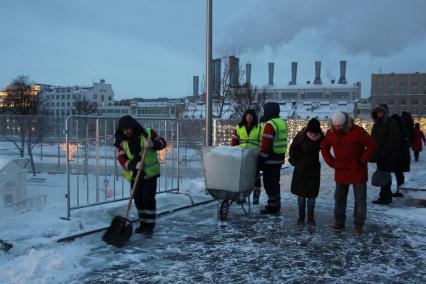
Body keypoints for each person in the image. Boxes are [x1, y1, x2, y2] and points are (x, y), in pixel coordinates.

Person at [321, 111, 376, 236]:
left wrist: (362, 161)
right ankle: (339, 221)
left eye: (340, 126)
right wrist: (331, 162)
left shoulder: (357, 131)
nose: (337, 128)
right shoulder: (331, 133)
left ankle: (359, 224)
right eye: (335, 126)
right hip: (341, 169)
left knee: (360, 199)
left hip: (357, 169)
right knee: (339, 198)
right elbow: (323, 147)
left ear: (345, 123)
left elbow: (372, 145)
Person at [114, 115, 166, 235]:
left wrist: (153, 144)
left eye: (129, 129)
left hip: (150, 174)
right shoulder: (121, 142)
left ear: (134, 127)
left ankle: (150, 226)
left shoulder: (147, 133)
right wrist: (133, 165)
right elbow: (122, 159)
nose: (127, 131)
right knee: (138, 199)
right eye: (124, 130)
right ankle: (143, 224)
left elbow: (162, 142)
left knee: (147, 199)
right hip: (135, 175)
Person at [288, 118, 323, 228]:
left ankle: (311, 218)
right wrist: (295, 162)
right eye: (311, 131)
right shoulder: (301, 136)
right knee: (301, 196)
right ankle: (301, 217)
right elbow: (292, 149)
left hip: (314, 171)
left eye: (315, 132)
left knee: (312, 196)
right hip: (301, 170)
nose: (313, 134)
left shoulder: (321, 138)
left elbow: (327, 148)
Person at [258, 102, 287, 214]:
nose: (263, 113)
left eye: (265, 111)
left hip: (270, 159)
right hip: (279, 158)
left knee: (269, 183)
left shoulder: (270, 124)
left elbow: (265, 145)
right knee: (276, 182)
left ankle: (272, 206)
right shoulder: (281, 123)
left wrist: (261, 161)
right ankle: (276, 204)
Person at [370, 105, 401, 205]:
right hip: (379, 155)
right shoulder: (377, 124)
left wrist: (385, 152)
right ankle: (385, 196)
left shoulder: (391, 123)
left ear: (385, 113)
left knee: (385, 176)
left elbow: (393, 139)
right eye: (378, 112)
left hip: (387, 155)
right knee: (382, 175)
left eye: (381, 112)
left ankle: (386, 197)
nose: (379, 114)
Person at [231, 109, 262, 204]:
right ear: (245, 117)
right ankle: (242, 197)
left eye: (251, 116)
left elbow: (262, 142)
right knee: (242, 177)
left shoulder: (259, 128)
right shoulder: (238, 127)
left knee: (256, 176)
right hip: (242, 156)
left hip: (254, 156)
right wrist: (233, 152)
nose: (249, 118)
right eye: (247, 116)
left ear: (254, 117)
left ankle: (256, 197)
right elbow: (234, 141)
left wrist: (261, 154)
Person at [390, 114, 411, 197]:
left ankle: (400, 191)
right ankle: (400, 190)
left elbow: (398, 143)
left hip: (399, 156)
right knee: (399, 173)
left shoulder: (398, 130)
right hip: (402, 155)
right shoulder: (403, 128)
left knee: (398, 173)